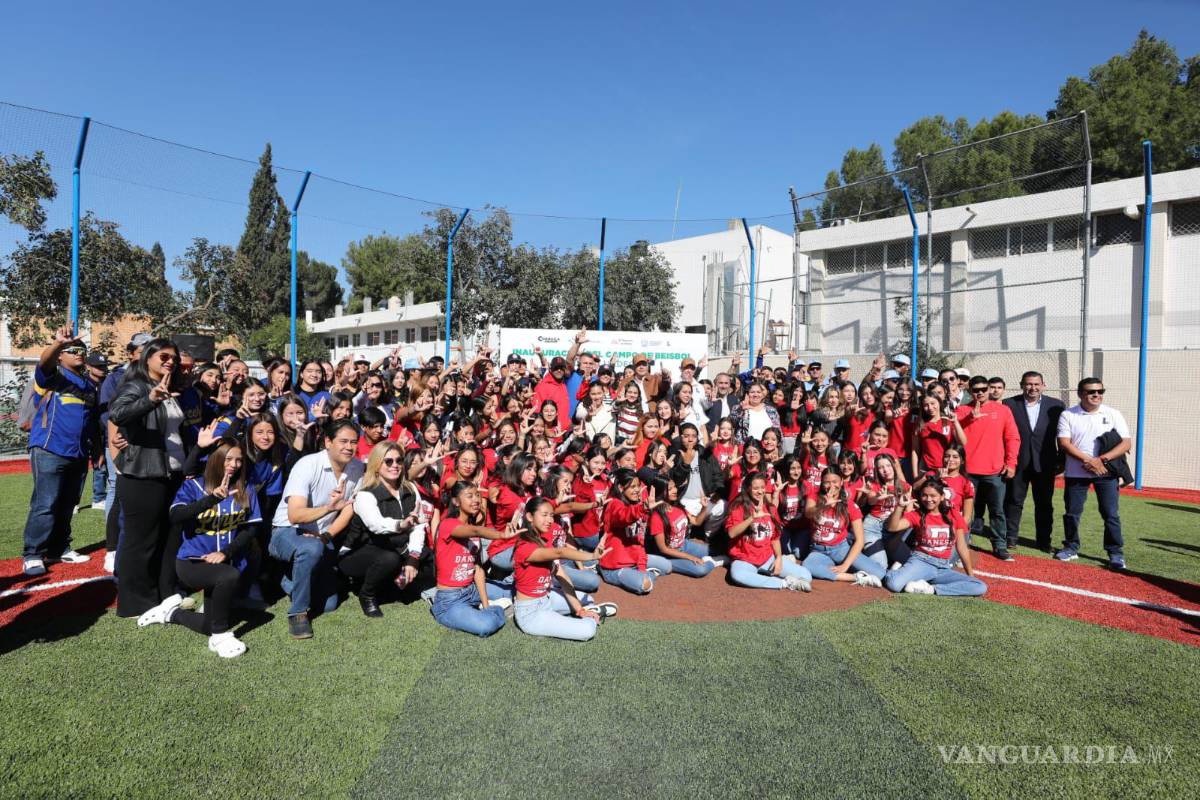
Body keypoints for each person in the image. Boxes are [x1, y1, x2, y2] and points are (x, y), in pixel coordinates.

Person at [137, 439, 259, 658]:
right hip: (192, 563)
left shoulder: (245, 488)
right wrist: (211, 499)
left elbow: (251, 528)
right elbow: (176, 516)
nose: (234, 465)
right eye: (228, 459)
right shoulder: (194, 485)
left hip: (224, 562)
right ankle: (219, 637)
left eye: (239, 460)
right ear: (215, 459)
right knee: (228, 578)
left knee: (209, 623)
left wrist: (226, 552)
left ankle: (171, 614)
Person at [110, 339, 198, 619]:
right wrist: (150, 399)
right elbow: (117, 414)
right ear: (147, 357)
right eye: (164, 356)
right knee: (141, 540)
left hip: (172, 473)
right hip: (143, 473)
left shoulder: (171, 389)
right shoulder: (137, 386)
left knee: (167, 538)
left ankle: (164, 593)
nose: (170, 361)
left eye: (174, 358)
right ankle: (135, 603)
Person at [268, 419, 365, 639]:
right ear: (328, 442)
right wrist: (328, 508)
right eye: (343, 441)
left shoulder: (358, 468)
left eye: (353, 442)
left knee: (329, 604)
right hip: (286, 530)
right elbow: (294, 515)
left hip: (320, 536)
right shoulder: (307, 465)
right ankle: (298, 613)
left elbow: (349, 508)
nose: (349, 447)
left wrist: (326, 536)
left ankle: (287, 578)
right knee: (310, 549)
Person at [21, 326, 100, 576]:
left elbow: (91, 421)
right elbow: (44, 362)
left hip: (78, 453)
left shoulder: (89, 386)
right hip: (49, 449)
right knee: (45, 504)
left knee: (68, 504)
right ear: (61, 356)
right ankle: (33, 554)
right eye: (72, 350)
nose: (78, 353)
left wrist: (96, 449)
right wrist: (57, 344)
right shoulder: (51, 376)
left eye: (81, 350)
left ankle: (58, 548)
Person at [512, 497, 614, 641]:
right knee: (588, 630)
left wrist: (580, 610)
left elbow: (561, 575)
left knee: (587, 599)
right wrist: (592, 556)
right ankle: (581, 618)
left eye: (551, 515)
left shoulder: (544, 541)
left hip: (547, 598)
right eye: (544, 515)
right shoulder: (524, 546)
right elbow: (560, 552)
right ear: (529, 517)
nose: (550, 520)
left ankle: (579, 613)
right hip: (530, 613)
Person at [1055, 378, 1131, 569]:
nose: (1096, 395)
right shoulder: (1068, 414)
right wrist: (1089, 461)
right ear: (1080, 394)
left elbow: (1126, 443)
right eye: (1091, 392)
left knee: (1110, 514)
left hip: (1106, 473)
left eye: (1100, 391)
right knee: (1072, 513)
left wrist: (1101, 460)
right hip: (1076, 473)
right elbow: (1064, 443)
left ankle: (1115, 553)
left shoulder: (1113, 414)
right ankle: (1071, 547)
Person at [341, 442, 420, 617]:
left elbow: (419, 525)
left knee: (426, 559)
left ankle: (392, 587)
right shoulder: (365, 494)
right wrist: (401, 525)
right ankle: (367, 594)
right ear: (376, 465)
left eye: (399, 460)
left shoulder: (410, 488)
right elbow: (376, 525)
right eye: (388, 461)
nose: (395, 465)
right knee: (389, 559)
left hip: (395, 547)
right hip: (358, 552)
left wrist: (413, 558)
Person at [431, 483, 516, 637]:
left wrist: (486, 605)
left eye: (477, 495)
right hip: (450, 599)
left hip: (472, 589)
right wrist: (501, 535)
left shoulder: (471, 530)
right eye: (469, 496)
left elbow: (478, 569)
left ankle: (487, 608)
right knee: (485, 626)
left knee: (511, 591)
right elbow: (476, 530)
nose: (476, 500)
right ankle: (497, 609)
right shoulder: (448, 524)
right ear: (456, 501)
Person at [883, 481, 987, 597]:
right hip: (922, 562)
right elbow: (892, 527)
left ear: (942, 497)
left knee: (979, 586)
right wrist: (900, 506)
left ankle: (930, 589)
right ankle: (895, 572)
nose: (928, 499)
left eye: (933, 496)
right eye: (924, 495)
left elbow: (962, 547)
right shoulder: (917, 514)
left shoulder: (953, 514)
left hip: (943, 567)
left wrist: (971, 576)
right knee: (893, 584)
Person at [956, 376, 1019, 561]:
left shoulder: (1003, 410)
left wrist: (1011, 463)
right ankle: (962, 544)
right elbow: (953, 435)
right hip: (967, 471)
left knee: (997, 510)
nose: (980, 393)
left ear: (989, 389)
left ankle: (999, 545)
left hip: (994, 471)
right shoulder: (961, 411)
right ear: (970, 391)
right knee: (964, 511)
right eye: (976, 390)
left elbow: (1012, 438)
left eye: (984, 389)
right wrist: (969, 418)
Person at [1002, 371, 1064, 553]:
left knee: (1044, 504)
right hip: (1018, 462)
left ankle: (1044, 541)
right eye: (1029, 384)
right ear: (1022, 385)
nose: (1033, 388)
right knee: (1013, 501)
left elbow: (1062, 435)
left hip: (1045, 464)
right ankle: (1010, 538)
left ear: (1043, 385)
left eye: (1036, 384)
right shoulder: (1009, 404)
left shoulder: (1057, 406)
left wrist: (1062, 460)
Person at [725, 474, 813, 591]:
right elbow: (731, 533)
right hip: (744, 559)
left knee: (806, 576)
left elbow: (775, 538)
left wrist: (779, 558)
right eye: (755, 488)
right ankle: (785, 583)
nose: (760, 491)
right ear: (747, 488)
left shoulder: (770, 508)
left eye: (762, 487)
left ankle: (775, 567)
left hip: (767, 557)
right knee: (738, 576)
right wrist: (751, 518)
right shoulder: (738, 507)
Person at [802, 469, 885, 587]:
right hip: (819, 549)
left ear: (841, 482)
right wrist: (823, 506)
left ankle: (841, 568)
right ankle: (857, 577)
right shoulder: (814, 497)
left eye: (835, 482)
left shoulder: (849, 505)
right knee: (808, 566)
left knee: (879, 573)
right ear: (822, 483)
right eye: (827, 482)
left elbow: (860, 540)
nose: (831, 486)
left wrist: (845, 565)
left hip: (841, 549)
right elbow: (808, 514)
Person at [598, 468, 670, 594]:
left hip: (633, 559)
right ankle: (638, 576)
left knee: (667, 566)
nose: (637, 489)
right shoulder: (614, 504)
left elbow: (639, 541)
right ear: (620, 488)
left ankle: (641, 574)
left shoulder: (637, 504)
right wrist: (643, 507)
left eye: (638, 486)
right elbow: (624, 516)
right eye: (632, 487)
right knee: (645, 586)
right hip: (614, 566)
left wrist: (642, 568)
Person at [646, 476, 715, 578]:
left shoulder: (677, 506)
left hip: (684, 544)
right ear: (660, 492)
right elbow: (663, 549)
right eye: (670, 489)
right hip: (669, 556)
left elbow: (696, 522)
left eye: (674, 487)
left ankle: (709, 559)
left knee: (713, 551)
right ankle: (713, 562)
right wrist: (690, 557)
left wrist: (704, 507)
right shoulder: (656, 517)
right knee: (701, 569)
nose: (675, 490)